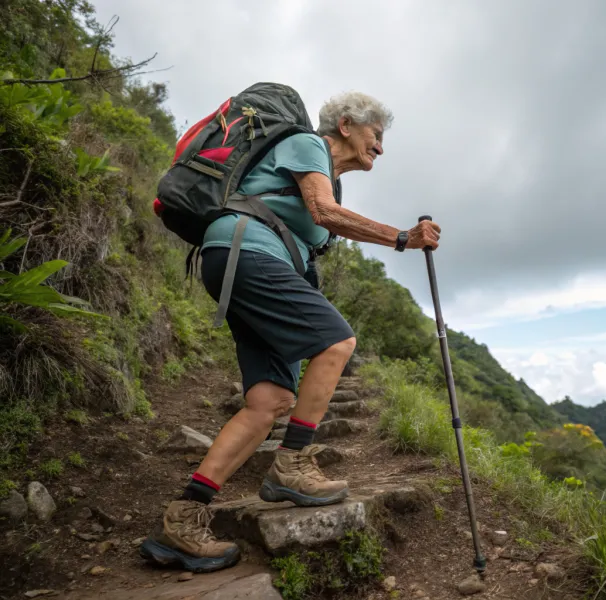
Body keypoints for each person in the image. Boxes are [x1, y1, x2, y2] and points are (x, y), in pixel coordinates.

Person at [140, 90, 442, 572]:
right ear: (346, 124)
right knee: (337, 341)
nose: (380, 148)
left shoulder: (321, 172)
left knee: (268, 403)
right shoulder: (307, 144)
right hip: (248, 255)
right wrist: (402, 238)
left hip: (241, 262)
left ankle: (182, 520)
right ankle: (292, 464)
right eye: (376, 135)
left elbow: (316, 222)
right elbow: (323, 213)